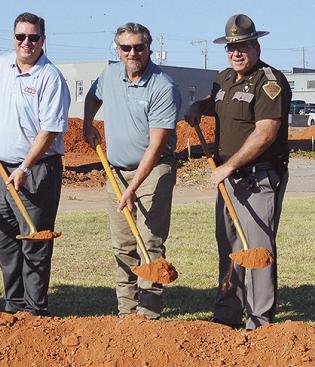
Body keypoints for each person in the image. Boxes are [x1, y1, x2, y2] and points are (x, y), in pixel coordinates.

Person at [185, 14, 291, 330]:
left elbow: (266, 132)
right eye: (231, 47)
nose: (237, 53)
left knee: (256, 249)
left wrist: (229, 166)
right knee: (229, 246)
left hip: (258, 178)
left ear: (256, 45)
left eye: (243, 46)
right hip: (228, 179)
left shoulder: (270, 82)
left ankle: (259, 320)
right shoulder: (224, 79)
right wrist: (198, 107)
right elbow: (216, 100)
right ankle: (227, 314)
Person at [84, 22, 180, 319]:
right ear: (118, 49)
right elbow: (93, 95)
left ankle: (149, 314)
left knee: (149, 241)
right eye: (125, 47)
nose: (132, 52)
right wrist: (88, 123)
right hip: (116, 170)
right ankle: (127, 314)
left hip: (153, 170)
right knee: (123, 244)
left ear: (149, 48)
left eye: (139, 47)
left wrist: (131, 188)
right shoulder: (110, 74)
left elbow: (155, 146)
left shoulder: (163, 86)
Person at [0, 12, 70, 315]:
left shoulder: (50, 77)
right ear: (13, 38)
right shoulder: (2, 66)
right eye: (20, 37)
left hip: (36, 169)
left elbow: (50, 129)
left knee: (34, 240)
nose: (26, 43)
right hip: (3, 168)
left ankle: (35, 310)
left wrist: (25, 168)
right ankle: (13, 304)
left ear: (43, 40)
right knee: (6, 239)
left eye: (33, 37)